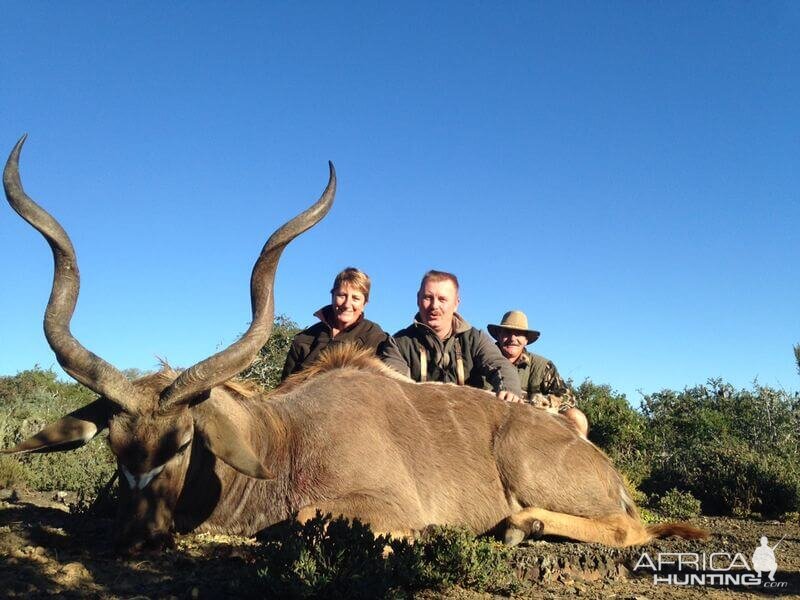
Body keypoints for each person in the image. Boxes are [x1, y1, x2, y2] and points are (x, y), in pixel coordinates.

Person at [380, 270, 522, 402]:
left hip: (470, 421)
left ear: (456, 303)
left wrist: (509, 390)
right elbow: (397, 387)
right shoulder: (398, 344)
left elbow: (500, 365)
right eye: (428, 297)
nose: (434, 306)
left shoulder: (475, 338)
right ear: (418, 299)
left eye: (442, 299)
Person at [487, 310, 589, 437]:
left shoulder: (542, 366)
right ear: (498, 335)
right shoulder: (482, 358)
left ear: (526, 340)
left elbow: (568, 399)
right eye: (507, 332)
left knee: (576, 418)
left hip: (531, 427)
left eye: (518, 334)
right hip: (489, 424)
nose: (513, 338)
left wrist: (536, 403)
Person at [281, 267, 389, 379]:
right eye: (342, 295)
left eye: (355, 298)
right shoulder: (304, 339)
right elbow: (285, 388)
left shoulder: (376, 338)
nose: (347, 304)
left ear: (364, 303)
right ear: (332, 296)